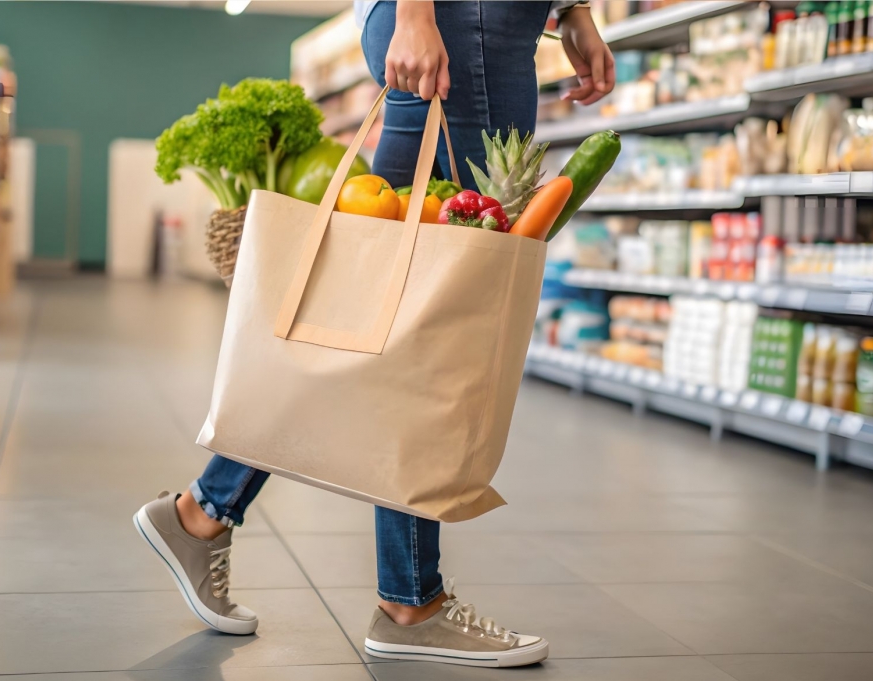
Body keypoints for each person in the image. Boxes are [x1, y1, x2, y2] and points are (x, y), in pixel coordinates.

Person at [135, 0, 614, 668]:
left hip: (493, 24)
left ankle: (203, 513)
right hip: (458, 18)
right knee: (430, 312)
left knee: (386, 301)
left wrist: (572, 11)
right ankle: (408, 602)